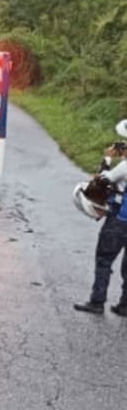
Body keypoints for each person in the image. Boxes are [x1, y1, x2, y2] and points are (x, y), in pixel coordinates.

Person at [74, 122, 127, 316]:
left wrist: (107, 158)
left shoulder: (124, 166)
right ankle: (124, 305)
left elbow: (102, 180)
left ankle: (97, 302)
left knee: (104, 260)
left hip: (120, 220)